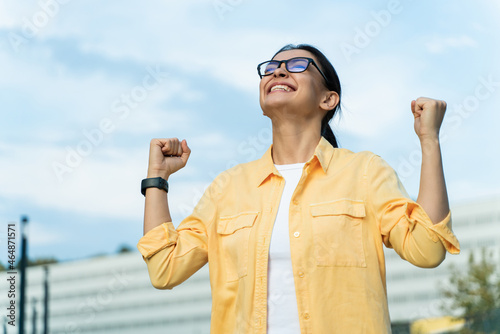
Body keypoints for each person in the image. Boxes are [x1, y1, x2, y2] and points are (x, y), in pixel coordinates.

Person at [137, 44, 460, 334]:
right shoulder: (228, 187)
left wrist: (429, 140)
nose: (278, 70)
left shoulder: (363, 172)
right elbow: (165, 269)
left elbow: (427, 249)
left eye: (298, 65)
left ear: (328, 99)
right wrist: (157, 179)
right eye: (272, 67)